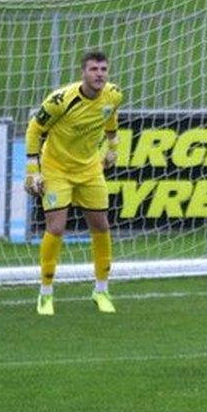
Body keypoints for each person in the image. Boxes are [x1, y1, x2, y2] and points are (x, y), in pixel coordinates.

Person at [25, 51, 123, 315]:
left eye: (103, 69)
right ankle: (45, 293)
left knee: (101, 225)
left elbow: (111, 118)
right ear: (83, 73)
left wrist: (113, 145)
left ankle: (101, 289)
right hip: (56, 169)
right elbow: (34, 129)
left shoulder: (113, 94)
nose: (99, 74)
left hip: (90, 169)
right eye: (94, 69)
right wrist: (33, 170)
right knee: (56, 227)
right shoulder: (61, 100)